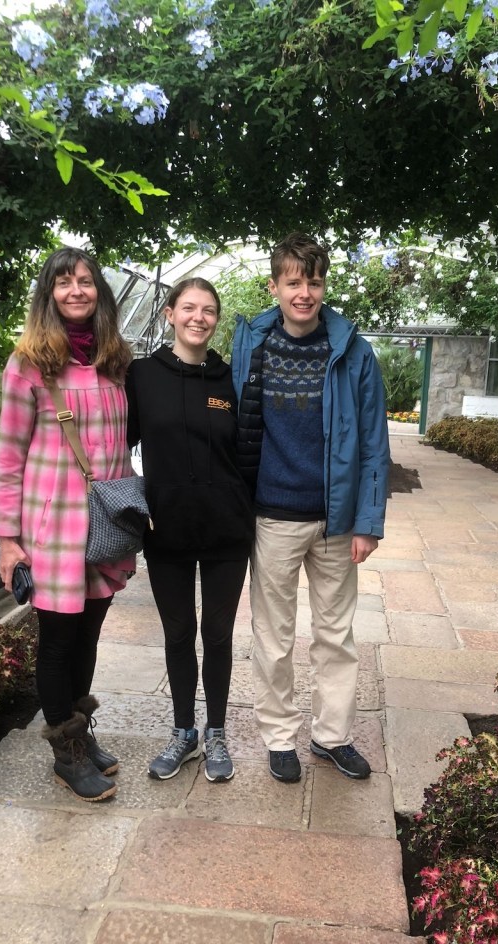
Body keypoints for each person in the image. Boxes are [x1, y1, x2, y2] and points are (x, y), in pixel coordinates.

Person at [231, 232, 390, 783]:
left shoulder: (354, 351)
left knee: (336, 634)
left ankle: (332, 736)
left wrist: (367, 522)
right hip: (272, 516)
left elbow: (374, 442)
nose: (304, 293)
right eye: (293, 281)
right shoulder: (250, 344)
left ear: (324, 286)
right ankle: (279, 737)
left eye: (314, 281)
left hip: (336, 520)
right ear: (274, 286)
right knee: (272, 636)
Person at [0, 246, 135, 802]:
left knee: (90, 633)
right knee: (57, 639)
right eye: (64, 283)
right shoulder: (28, 363)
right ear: (48, 294)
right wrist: (8, 539)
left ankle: (80, 729)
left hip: (104, 524)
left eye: (86, 282)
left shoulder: (113, 360)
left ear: (99, 291)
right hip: (52, 527)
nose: (77, 291)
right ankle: (66, 754)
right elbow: (8, 456)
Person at [126, 278, 254, 783]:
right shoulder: (142, 375)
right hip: (167, 530)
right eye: (189, 308)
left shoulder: (231, 379)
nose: (198, 317)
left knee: (218, 633)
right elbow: (117, 442)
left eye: (208, 311)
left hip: (227, 530)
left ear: (216, 319)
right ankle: (184, 731)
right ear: (169, 314)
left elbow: (250, 448)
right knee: (178, 632)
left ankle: (217, 732)